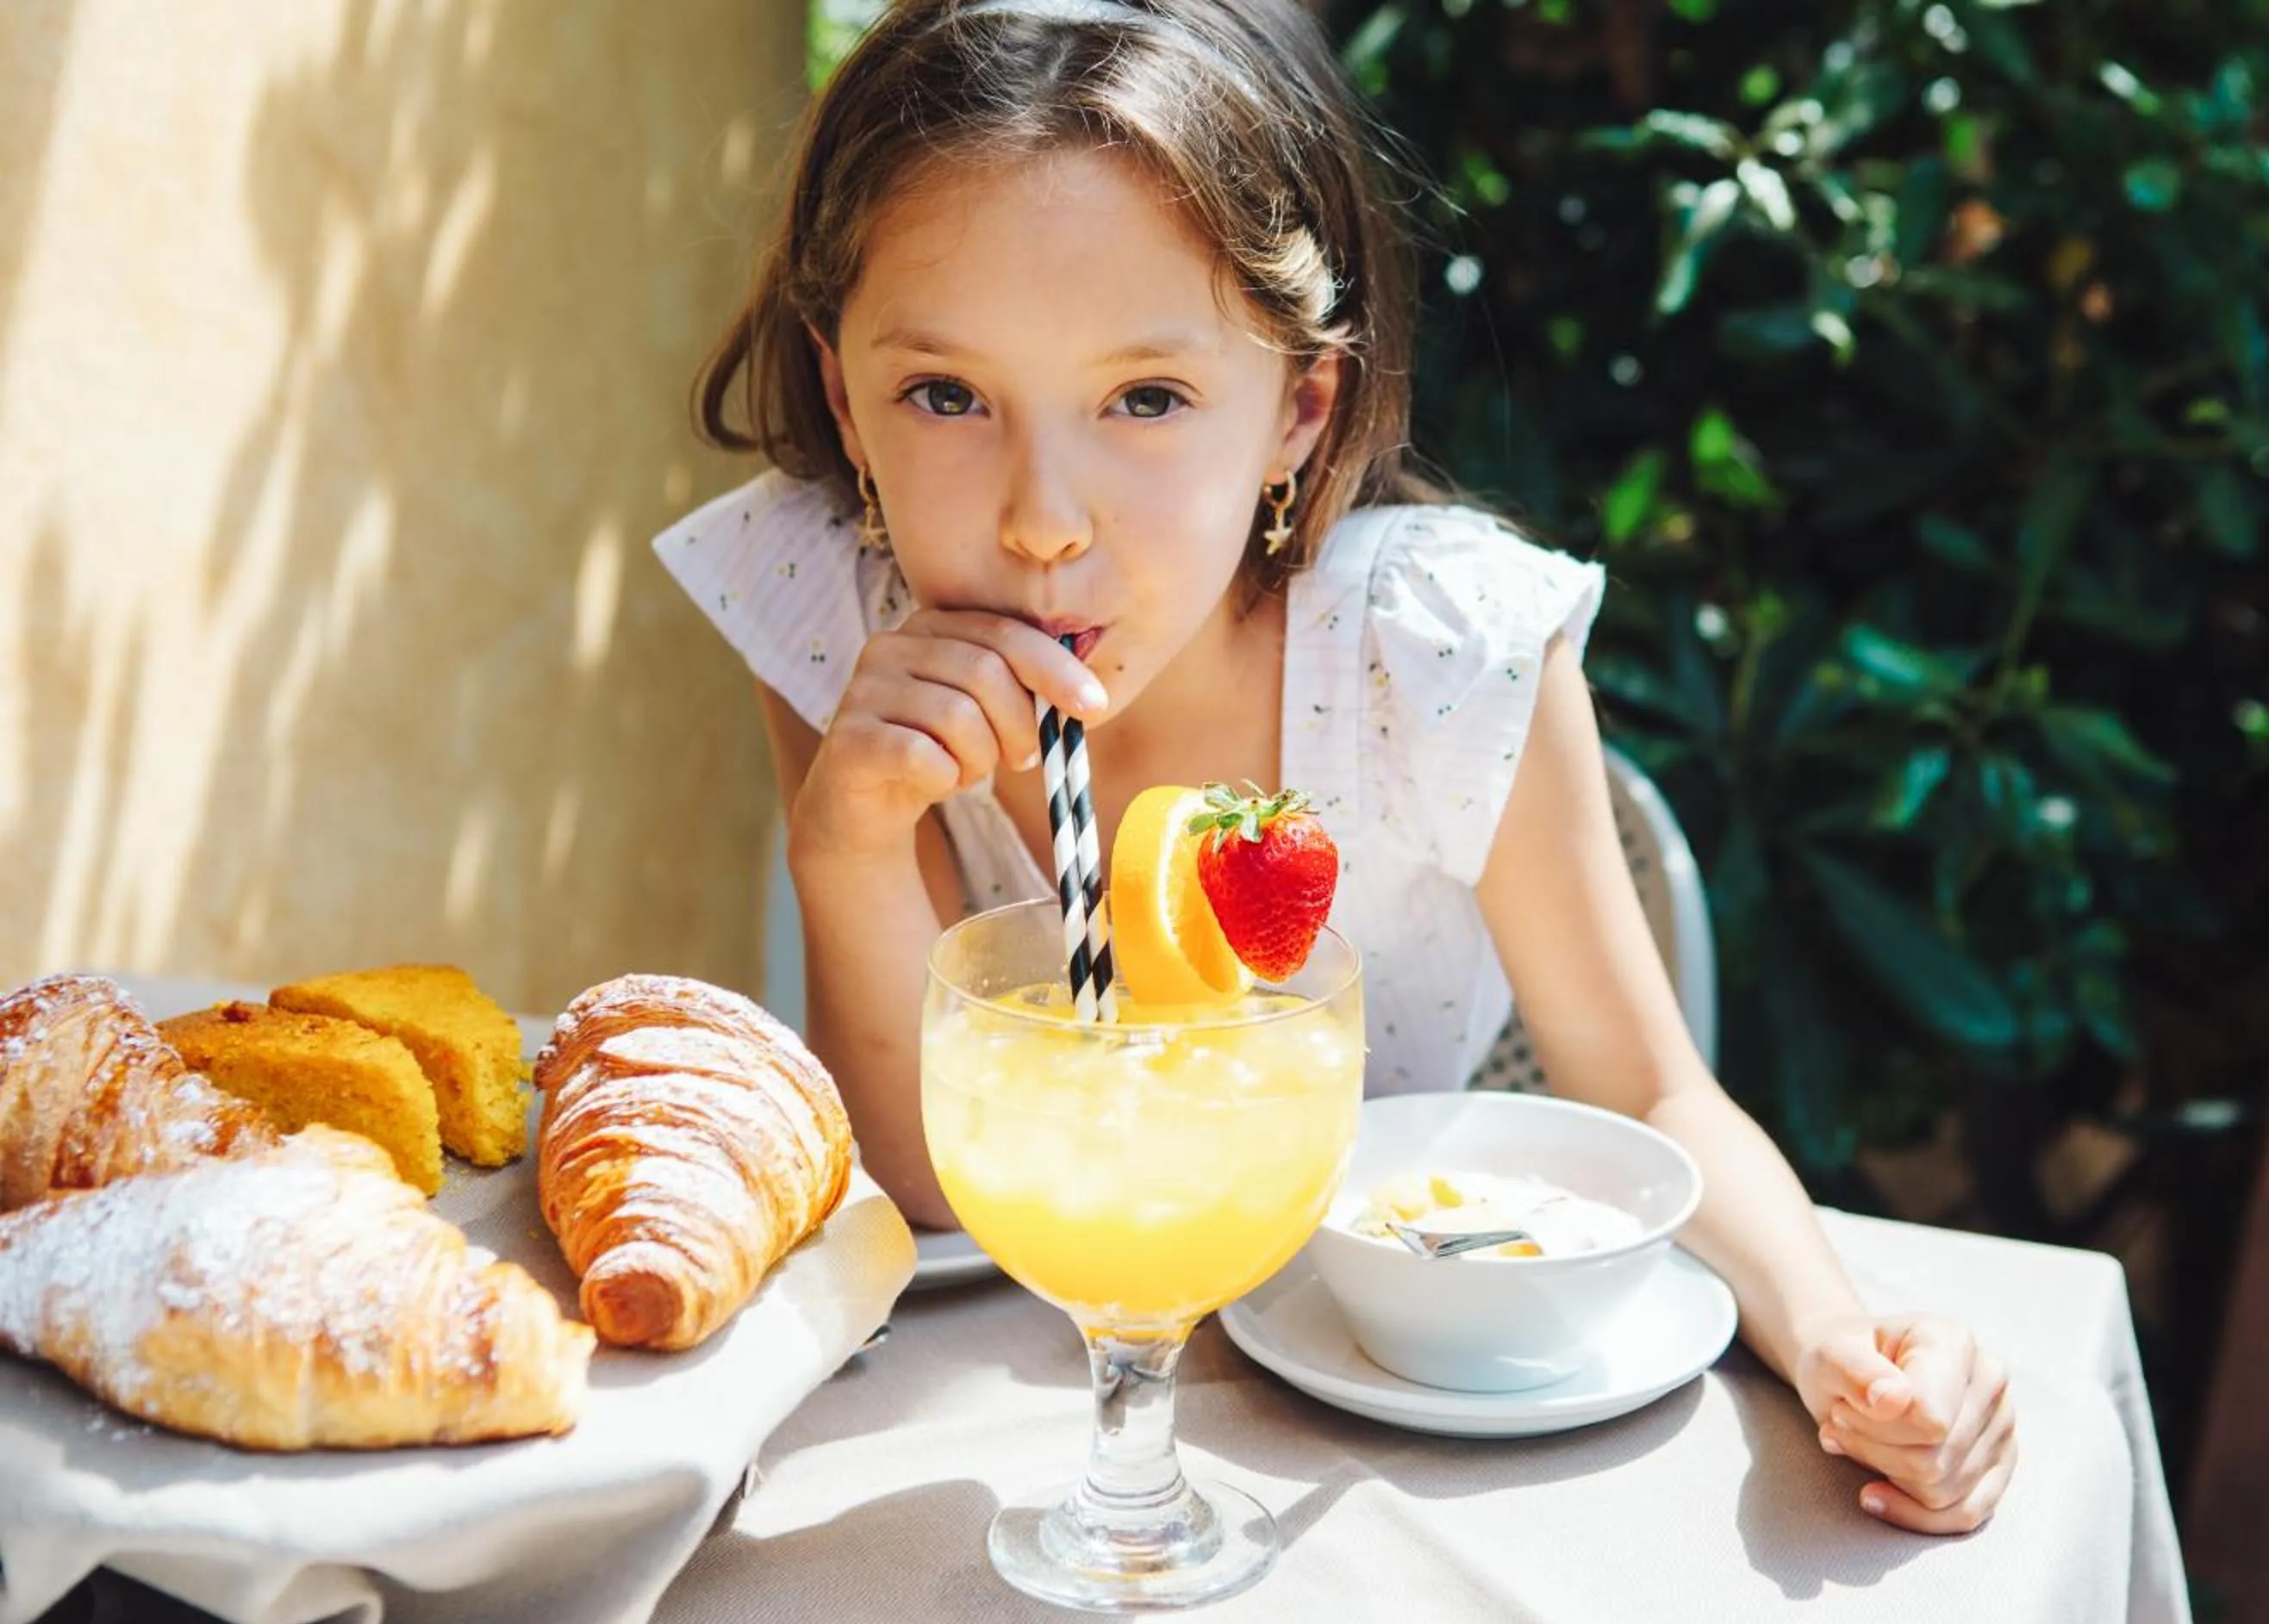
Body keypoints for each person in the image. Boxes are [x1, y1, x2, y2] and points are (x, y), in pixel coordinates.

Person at [654, 0, 2016, 1534]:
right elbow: (919, 1182)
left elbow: (1648, 1090)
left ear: (1300, 408)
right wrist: (841, 844)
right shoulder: (834, 612)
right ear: (847, 396)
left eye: (1147, 400)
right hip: (1015, 1429)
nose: (1043, 519)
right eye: (948, 396)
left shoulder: (1436, 656)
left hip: (1396, 1425)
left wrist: (1842, 1334)